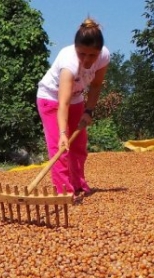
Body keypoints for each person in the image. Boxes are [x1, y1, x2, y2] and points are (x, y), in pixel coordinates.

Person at [36, 18, 110, 198]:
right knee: (60, 147)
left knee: (78, 146)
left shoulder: (104, 56)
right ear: (75, 48)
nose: (86, 59)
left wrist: (89, 110)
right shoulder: (68, 62)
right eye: (81, 53)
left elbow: (96, 85)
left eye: (92, 55)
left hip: (76, 99)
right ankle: (63, 191)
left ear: (99, 52)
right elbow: (63, 102)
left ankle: (78, 184)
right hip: (51, 99)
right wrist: (62, 134)